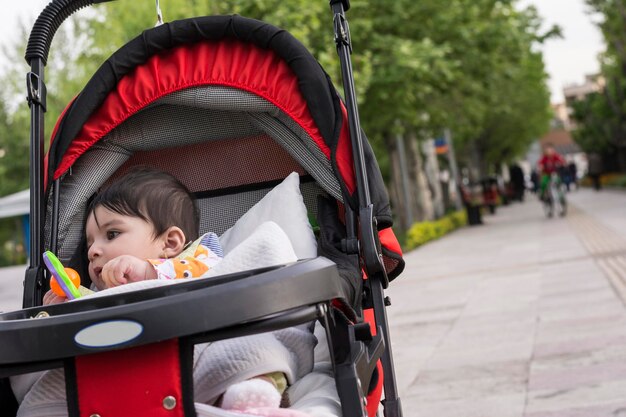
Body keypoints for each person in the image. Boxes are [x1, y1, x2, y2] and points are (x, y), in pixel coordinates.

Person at [16, 167, 317, 416]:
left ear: (171, 243)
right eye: (90, 241)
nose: (93, 251)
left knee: (256, 344)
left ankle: (252, 399)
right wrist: (62, 305)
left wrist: (148, 272)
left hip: (204, 352)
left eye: (112, 234)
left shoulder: (197, 257)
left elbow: (213, 274)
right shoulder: (96, 290)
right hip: (127, 373)